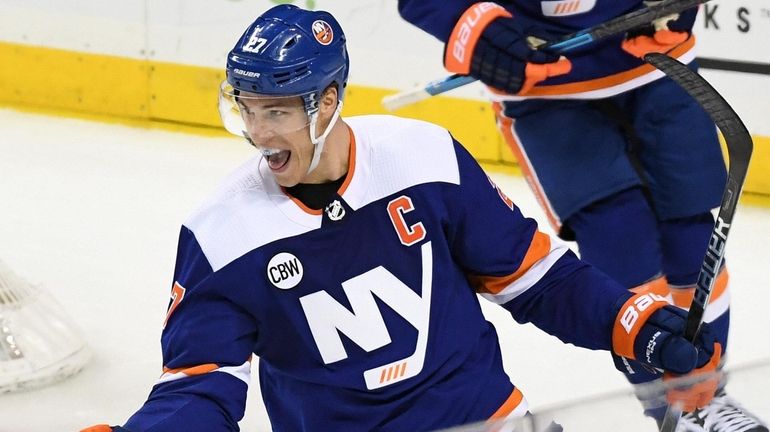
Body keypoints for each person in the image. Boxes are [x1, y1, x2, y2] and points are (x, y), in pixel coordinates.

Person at [82, 5, 724, 432]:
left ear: (328, 100)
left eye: (275, 111)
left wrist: (637, 326)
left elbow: (539, 281)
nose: (256, 133)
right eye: (245, 109)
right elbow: (200, 387)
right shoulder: (222, 233)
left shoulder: (423, 157)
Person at [397, 0, 767, 431]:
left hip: (655, 57)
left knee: (692, 235)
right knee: (619, 238)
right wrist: (472, 28)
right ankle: (669, 407)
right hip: (546, 87)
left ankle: (703, 398)